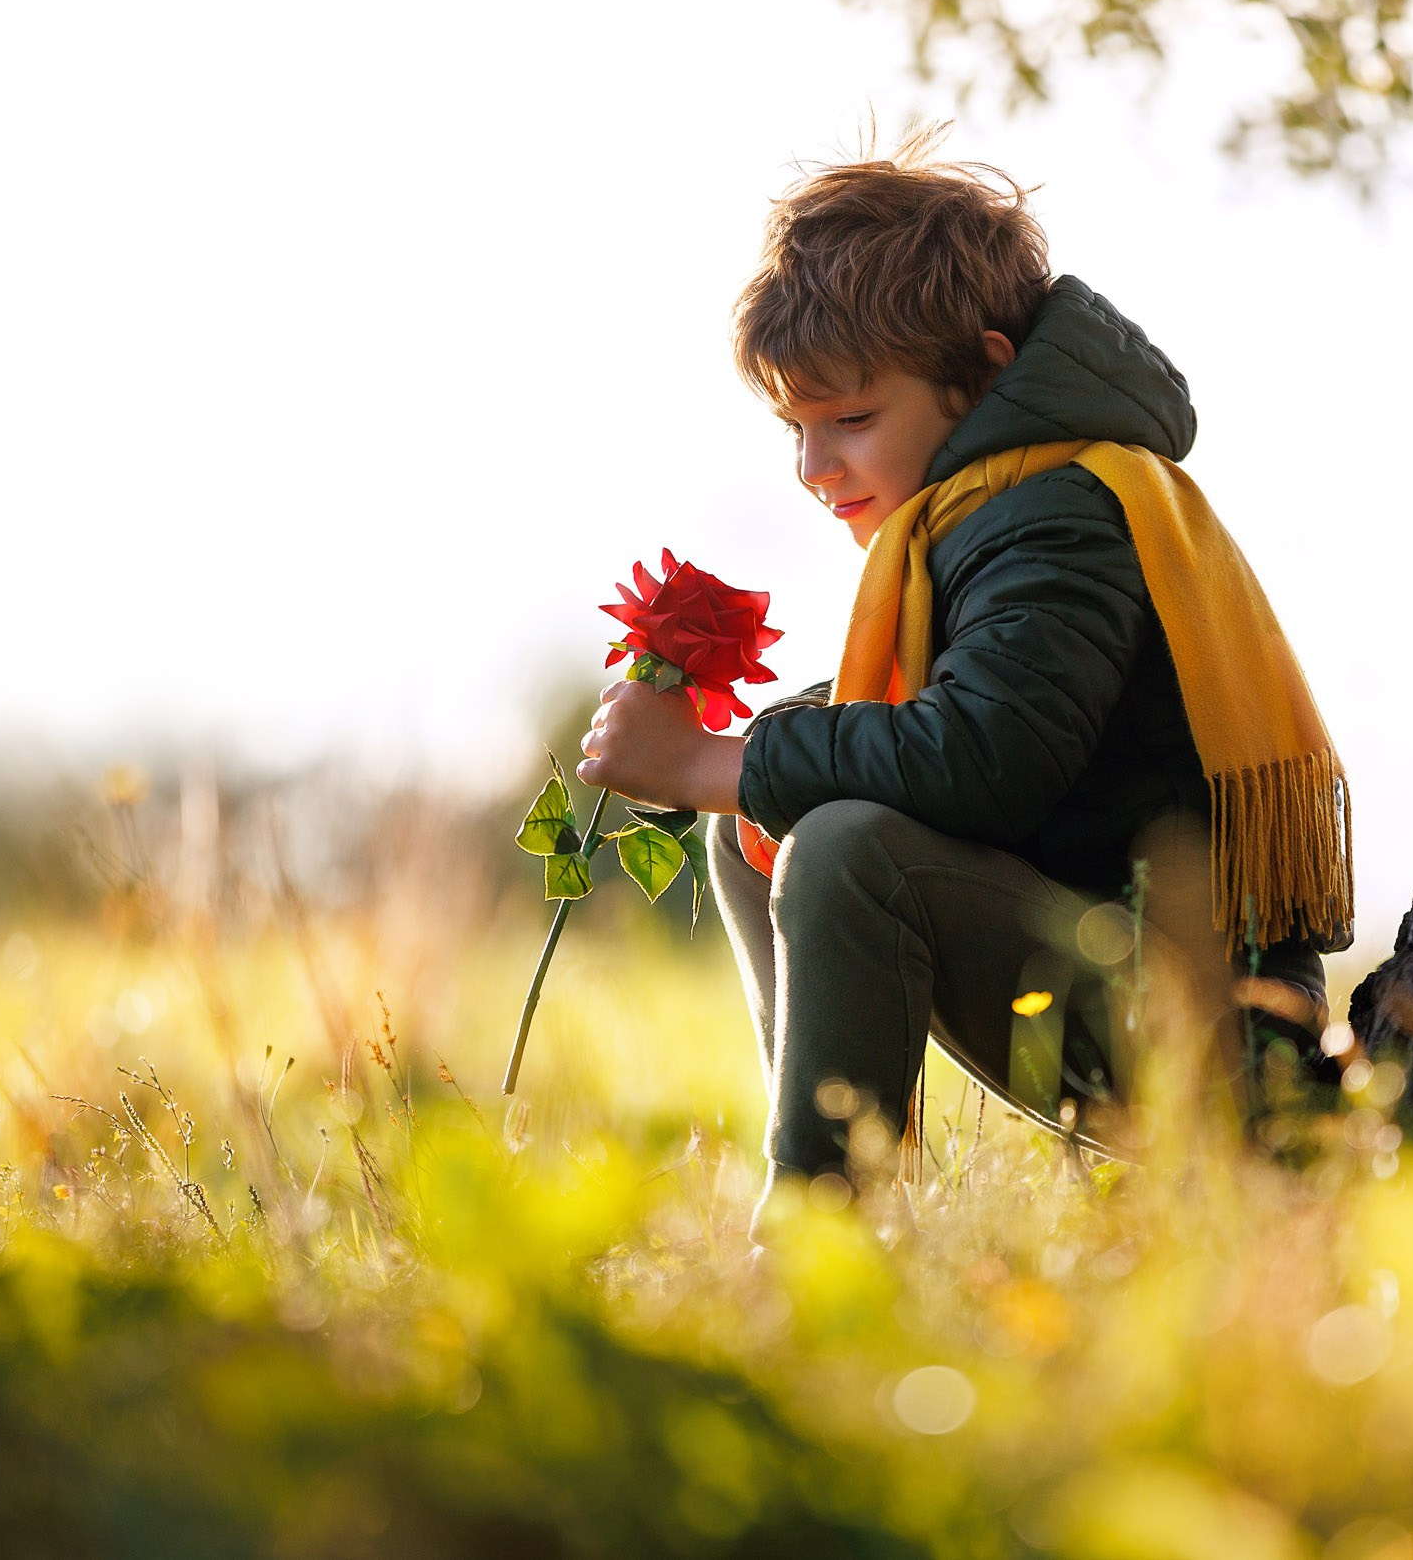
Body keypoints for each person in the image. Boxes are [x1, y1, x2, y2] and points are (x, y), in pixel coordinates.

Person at [575, 134, 1352, 1217]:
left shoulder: (1057, 512)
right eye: (795, 428)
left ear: (982, 372)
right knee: (764, 818)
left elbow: (986, 757)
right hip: (1119, 979)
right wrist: (760, 758)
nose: (814, 468)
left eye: (851, 419)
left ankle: (819, 1232)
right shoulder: (995, 510)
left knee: (835, 835)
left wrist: (717, 758)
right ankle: (844, 1178)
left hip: (1209, 1038)